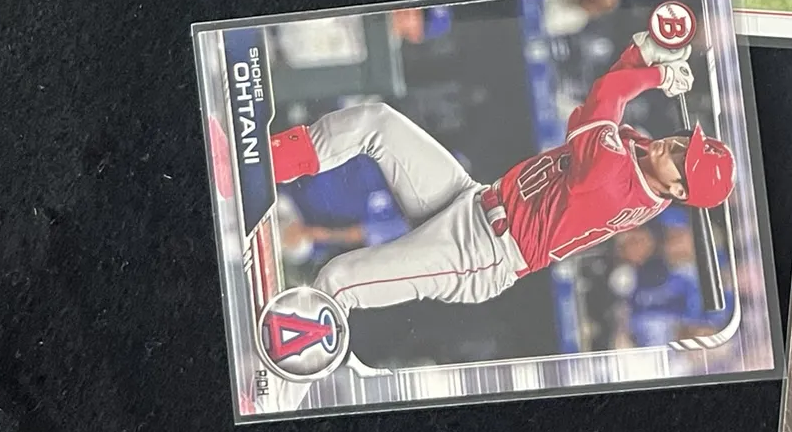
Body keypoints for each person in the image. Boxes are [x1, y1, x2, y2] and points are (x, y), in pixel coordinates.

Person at [266, 31, 731, 312]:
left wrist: (652, 75)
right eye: (685, 143)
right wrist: (639, 54)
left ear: (678, 190)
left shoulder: (619, 185)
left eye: (682, 160)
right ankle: (259, 165)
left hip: (484, 252)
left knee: (339, 280)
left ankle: (280, 366)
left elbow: (607, 98)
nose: (674, 147)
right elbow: (597, 105)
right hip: (471, 199)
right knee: (377, 122)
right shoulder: (642, 153)